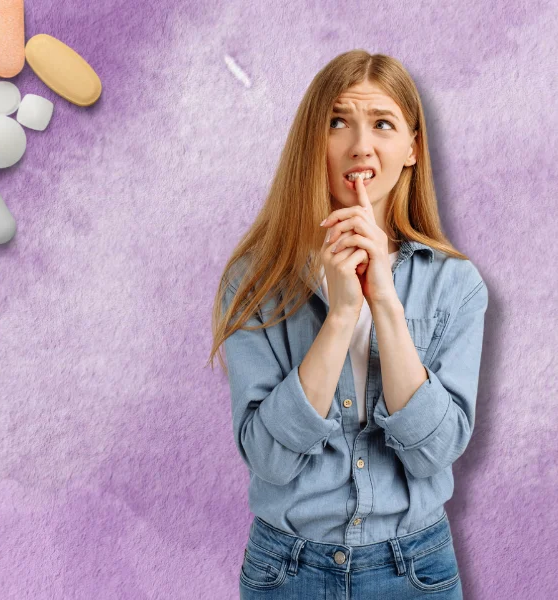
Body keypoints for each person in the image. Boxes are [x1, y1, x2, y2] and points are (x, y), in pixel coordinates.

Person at [207, 49, 488, 599]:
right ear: (314, 141)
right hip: (287, 570)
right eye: (339, 122)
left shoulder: (456, 285)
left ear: (412, 147)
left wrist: (383, 301)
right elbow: (267, 456)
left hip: (415, 569)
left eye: (382, 124)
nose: (361, 144)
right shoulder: (254, 280)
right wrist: (339, 316)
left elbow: (435, 451)